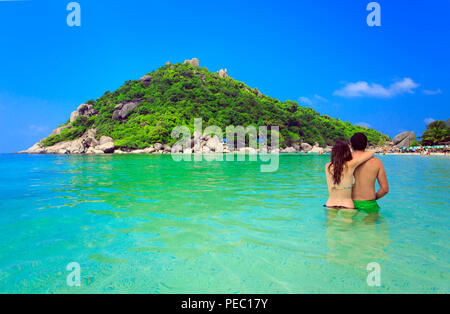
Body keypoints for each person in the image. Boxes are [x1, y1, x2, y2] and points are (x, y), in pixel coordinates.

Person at [325, 139, 375, 209]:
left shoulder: (327, 166)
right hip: (347, 205)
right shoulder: (350, 164)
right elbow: (371, 153)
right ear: (347, 151)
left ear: (333, 152)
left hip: (330, 204)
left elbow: (337, 164)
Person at [350, 133, 389, 213]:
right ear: (367, 144)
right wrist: (372, 198)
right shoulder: (377, 162)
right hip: (369, 204)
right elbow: (385, 189)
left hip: (349, 205)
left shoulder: (345, 161)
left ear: (351, 145)